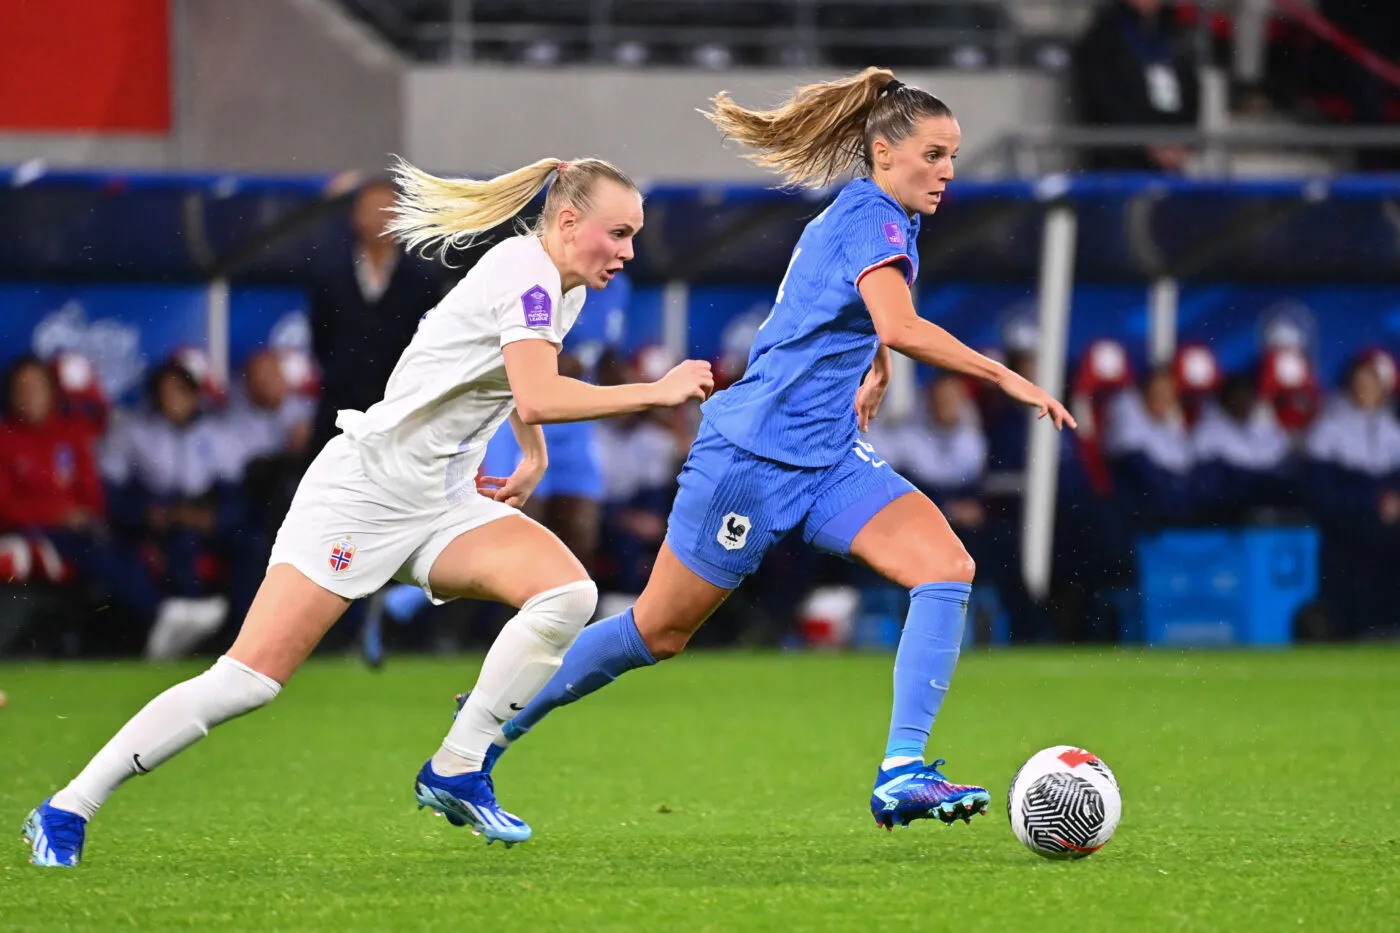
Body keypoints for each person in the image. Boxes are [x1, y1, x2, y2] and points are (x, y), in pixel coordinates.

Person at [24, 156, 714, 867]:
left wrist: (532, 455)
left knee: (567, 594)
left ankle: (456, 765)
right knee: (247, 681)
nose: (629, 252)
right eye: (619, 233)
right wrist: (655, 391)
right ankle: (67, 806)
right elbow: (537, 393)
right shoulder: (528, 276)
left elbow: (516, 383)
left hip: (443, 498)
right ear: (568, 222)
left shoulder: (556, 283)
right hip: (365, 495)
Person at [490, 68, 1075, 833]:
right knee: (657, 631)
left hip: (828, 456)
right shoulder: (873, 218)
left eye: (953, 156)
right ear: (883, 152)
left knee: (945, 567)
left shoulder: (883, 216)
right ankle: (492, 722)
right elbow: (897, 321)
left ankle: (902, 769)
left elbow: (851, 311)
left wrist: (875, 364)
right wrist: (1005, 375)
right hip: (751, 459)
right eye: (934, 155)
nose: (948, 171)